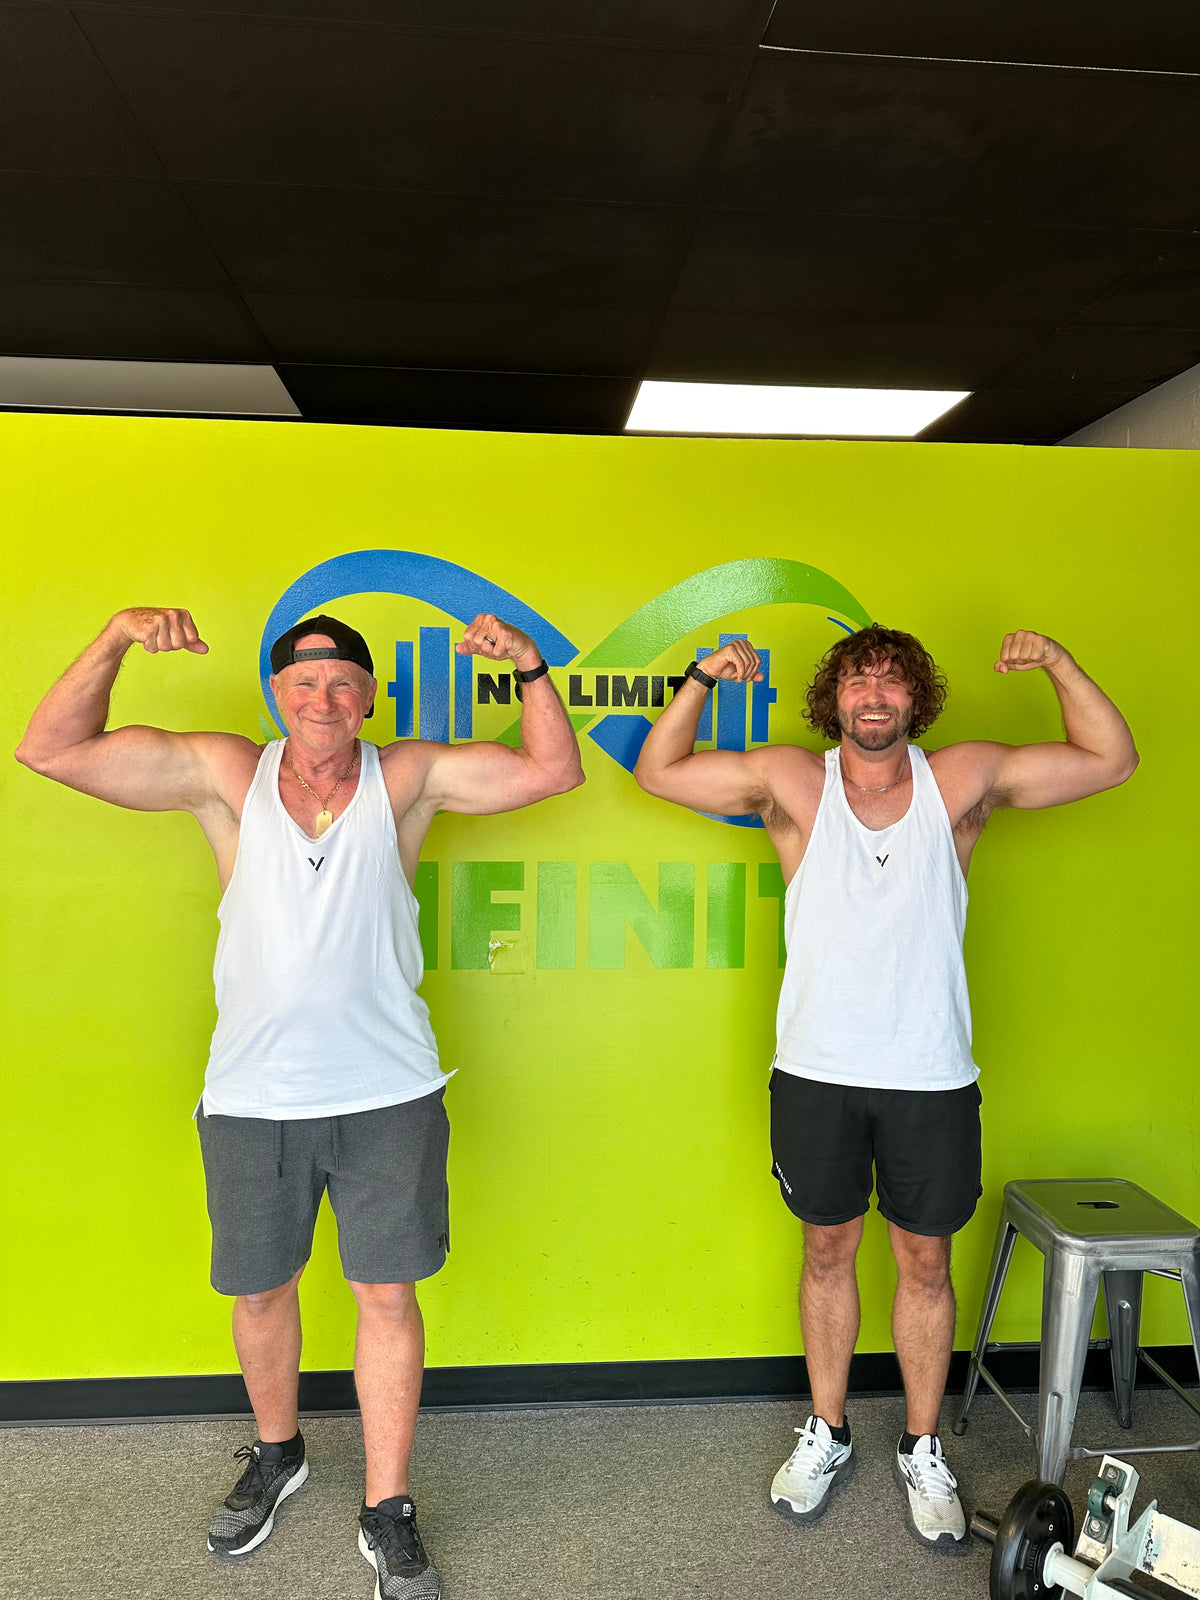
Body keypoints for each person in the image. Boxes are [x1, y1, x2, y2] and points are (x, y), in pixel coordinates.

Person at [16, 605, 584, 1598]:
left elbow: (552, 771)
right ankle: (279, 1452)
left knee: (386, 1296)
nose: (322, 697)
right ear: (279, 695)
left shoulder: (403, 780)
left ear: (368, 698)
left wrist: (530, 665)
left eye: (341, 682)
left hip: (388, 1091)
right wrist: (111, 636)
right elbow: (49, 748)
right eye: (303, 681)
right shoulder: (227, 776)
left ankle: (389, 1507)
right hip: (252, 1093)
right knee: (260, 1290)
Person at [633, 625, 1137, 1554]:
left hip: (930, 1073)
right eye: (859, 679)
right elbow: (658, 771)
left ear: (916, 701)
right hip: (817, 1069)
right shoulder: (793, 780)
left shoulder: (962, 780)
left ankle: (920, 1444)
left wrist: (1063, 664)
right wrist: (701, 676)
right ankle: (826, 1432)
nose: (874, 693)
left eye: (893, 681)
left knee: (925, 1263)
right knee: (827, 1250)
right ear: (835, 700)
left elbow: (1111, 760)